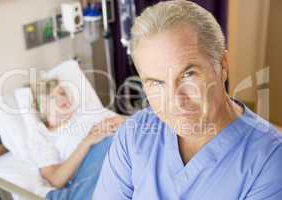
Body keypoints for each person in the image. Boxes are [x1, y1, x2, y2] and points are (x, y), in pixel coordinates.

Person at [93, 1, 282, 199]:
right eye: (157, 83)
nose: (175, 100)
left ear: (222, 65)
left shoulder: (270, 162)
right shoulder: (133, 137)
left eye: (188, 74)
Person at [29, 78, 126, 189]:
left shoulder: (85, 110)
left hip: (119, 146)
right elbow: (55, 180)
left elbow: (124, 121)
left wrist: (109, 124)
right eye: (52, 97)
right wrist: (88, 141)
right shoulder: (41, 135)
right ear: (42, 109)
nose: (61, 98)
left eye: (62, 93)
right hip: (96, 167)